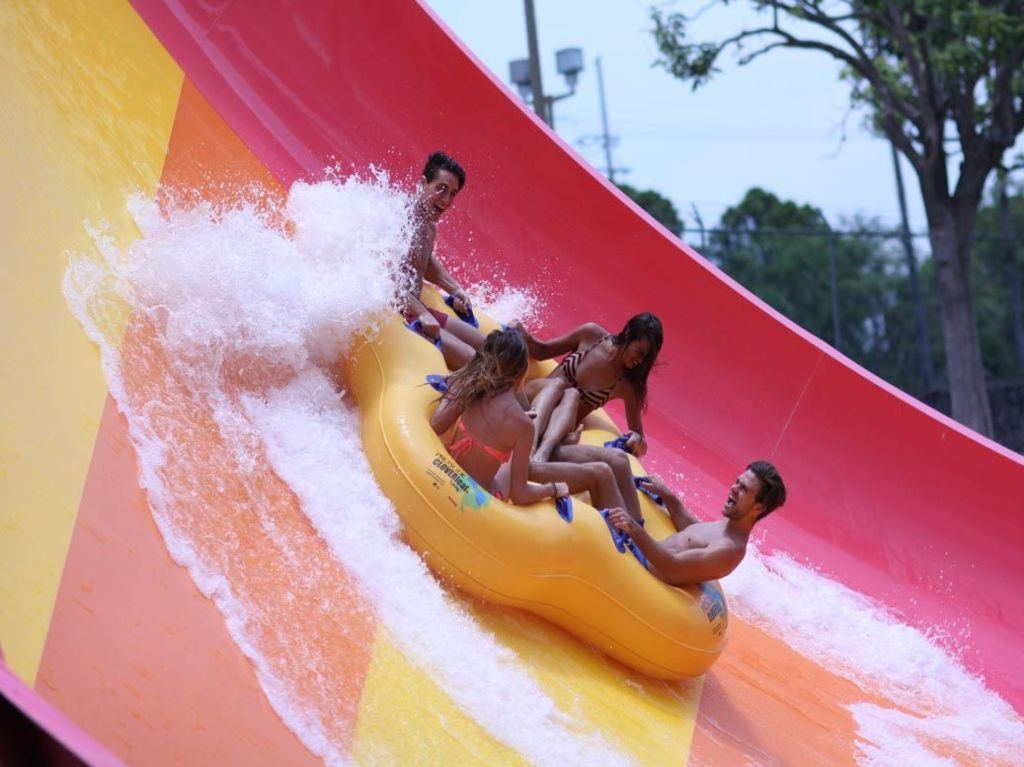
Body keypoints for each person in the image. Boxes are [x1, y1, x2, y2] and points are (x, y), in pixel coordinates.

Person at [430, 329, 630, 512]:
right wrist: (553, 489)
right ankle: (556, 444)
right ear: (521, 372)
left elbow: (437, 425)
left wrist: (453, 390)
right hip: (479, 499)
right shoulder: (523, 426)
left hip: (447, 470)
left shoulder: (469, 385)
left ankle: (555, 441)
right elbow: (519, 495)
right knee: (511, 456)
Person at [511, 313, 664, 521]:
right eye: (639, 352)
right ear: (628, 333)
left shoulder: (627, 386)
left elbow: (640, 439)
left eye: (645, 358)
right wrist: (523, 336)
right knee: (563, 387)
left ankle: (636, 529)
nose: (639, 361)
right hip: (531, 405)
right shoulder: (591, 335)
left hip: (555, 433)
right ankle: (534, 453)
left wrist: (637, 440)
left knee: (572, 399)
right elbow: (542, 351)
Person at [606, 462, 786, 586]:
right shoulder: (727, 526)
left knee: (601, 473)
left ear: (757, 509)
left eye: (743, 489)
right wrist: (668, 496)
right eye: (737, 482)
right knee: (619, 463)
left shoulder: (729, 550)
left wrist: (634, 530)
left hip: (641, 566)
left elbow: (672, 568)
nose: (733, 488)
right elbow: (693, 533)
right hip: (638, 551)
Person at [401, 151, 484, 368]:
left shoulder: (429, 227)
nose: (446, 200)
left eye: (453, 193)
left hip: (416, 309)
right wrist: (422, 314)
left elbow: (425, 262)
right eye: (441, 189)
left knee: (488, 346)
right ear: (423, 184)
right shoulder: (398, 218)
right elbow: (386, 282)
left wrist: (455, 289)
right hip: (395, 314)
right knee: (472, 360)